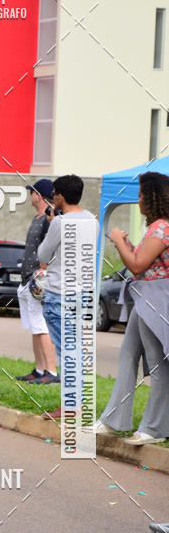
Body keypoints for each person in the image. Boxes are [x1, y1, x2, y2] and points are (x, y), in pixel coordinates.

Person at [95, 171, 169, 445]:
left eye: (140, 196)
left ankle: (155, 428)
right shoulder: (158, 228)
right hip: (146, 296)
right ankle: (114, 420)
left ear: (151, 197)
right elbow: (141, 260)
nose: (138, 201)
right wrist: (127, 245)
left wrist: (117, 241)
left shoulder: (161, 227)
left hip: (156, 298)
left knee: (158, 363)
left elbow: (137, 266)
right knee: (127, 355)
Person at [37, 174, 99, 367]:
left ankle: (73, 396)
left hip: (59, 293)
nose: (52, 197)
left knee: (66, 352)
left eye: (54, 194)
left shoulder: (59, 222)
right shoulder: (92, 221)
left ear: (60, 197)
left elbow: (43, 256)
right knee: (78, 349)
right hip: (84, 293)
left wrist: (51, 223)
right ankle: (79, 394)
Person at [15, 179, 59, 384]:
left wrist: (43, 275)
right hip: (28, 279)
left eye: (31, 192)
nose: (29, 196)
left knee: (42, 326)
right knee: (35, 327)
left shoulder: (51, 218)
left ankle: (51, 370)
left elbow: (52, 248)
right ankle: (40, 369)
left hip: (38, 279)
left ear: (38, 195)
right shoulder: (37, 218)